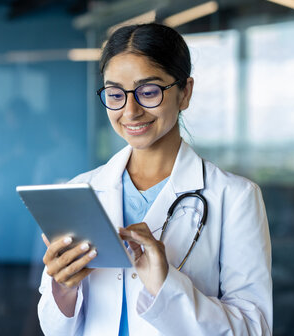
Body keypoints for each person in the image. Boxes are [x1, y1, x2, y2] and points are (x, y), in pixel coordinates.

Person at [37, 23, 272, 335]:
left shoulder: (235, 197)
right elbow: (55, 329)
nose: (130, 111)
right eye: (115, 94)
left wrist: (166, 285)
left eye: (148, 92)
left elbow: (254, 328)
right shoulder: (81, 190)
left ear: (185, 92)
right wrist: (63, 289)